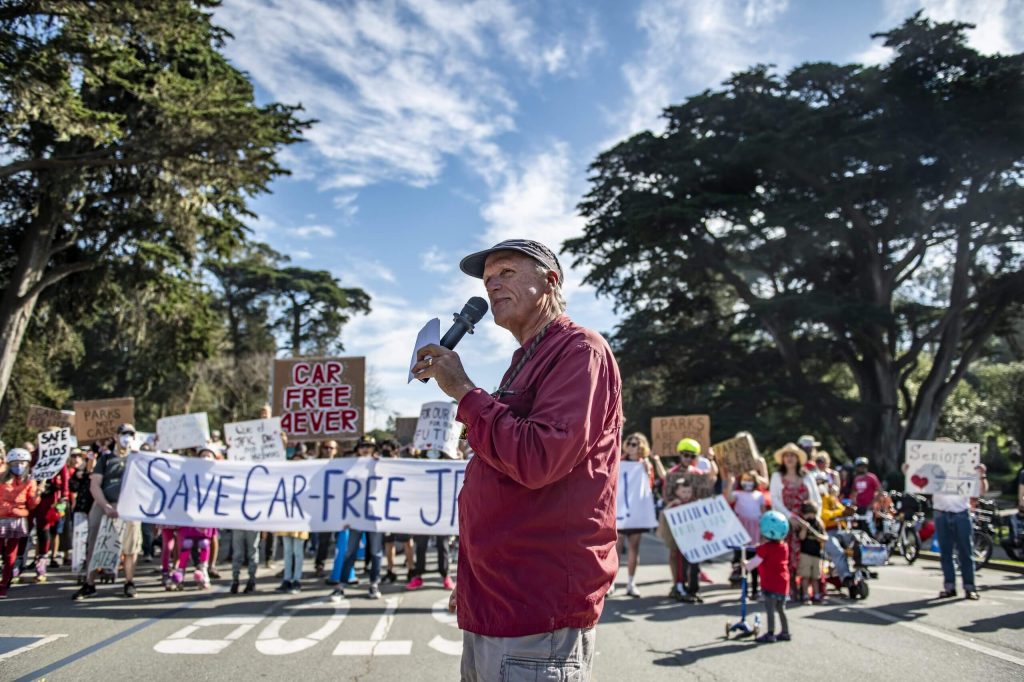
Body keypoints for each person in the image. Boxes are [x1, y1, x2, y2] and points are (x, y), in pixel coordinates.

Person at [412, 238, 620, 681]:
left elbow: (538, 459)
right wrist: (474, 580)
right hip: (498, 596)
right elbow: (499, 470)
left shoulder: (579, 351)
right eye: (488, 279)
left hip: (537, 604)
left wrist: (465, 392)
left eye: (506, 273)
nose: (492, 285)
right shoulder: (527, 359)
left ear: (550, 280)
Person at [903, 448, 987, 600]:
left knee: (966, 552)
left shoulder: (964, 469)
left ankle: (970, 588)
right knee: (945, 553)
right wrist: (908, 472)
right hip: (941, 513)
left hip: (961, 513)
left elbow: (981, 491)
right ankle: (949, 587)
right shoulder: (932, 471)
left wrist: (982, 475)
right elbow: (916, 486)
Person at [73, 423, 143, 599]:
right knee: (94, 542)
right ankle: (89, 584)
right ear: (116, 437)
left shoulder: (138, 459)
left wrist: (125, 505)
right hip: (104, 505)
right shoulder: (105, 460)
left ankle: (129, 582)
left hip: (129, 507)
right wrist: (105, 506)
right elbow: (95, 484)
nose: (127, 437)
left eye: (130, 434)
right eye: (123, 433)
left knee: (130, 546)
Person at [769, 443, 821, 599]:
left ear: (798, 459)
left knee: (806, 556)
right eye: (787, 456)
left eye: (793, 456)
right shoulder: (777, 476)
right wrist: (789, 516)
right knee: (787, 556)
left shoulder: (807, 476)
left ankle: (807, 589)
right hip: (786, 522)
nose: (790, 459)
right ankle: (790, 588)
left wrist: (813, 518)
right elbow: (775, 500)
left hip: (806, 522)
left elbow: (816, 499)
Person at [616, 432, 654, 598]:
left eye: (635, 444)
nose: (631, 446)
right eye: (629, 443)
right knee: (615, 550)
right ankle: (611, 583)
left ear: (641, 447)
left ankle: (631, 582)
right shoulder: (619, 462)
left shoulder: (645, 464)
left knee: (634, 548)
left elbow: (650, 486)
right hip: (619, 511)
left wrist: (650, 468)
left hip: (637, 513)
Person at [744, 511, 791, 643]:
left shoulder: (765, 549)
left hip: (770, 583)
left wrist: (746, 565)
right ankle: (785, 632)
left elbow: (754, 563)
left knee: (770, 609)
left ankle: (770, 633)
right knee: (781, 609)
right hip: (783, 583)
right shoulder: (784, 546)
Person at [1, 449, 41, 599]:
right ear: (9, 464)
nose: (19, 466)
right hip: (1, 519)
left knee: (10, 554)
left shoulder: (30, 481)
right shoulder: (1, 479)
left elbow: (31, 505)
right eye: (15, 463)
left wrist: (37, 495)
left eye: (22, 463)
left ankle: (4, 584)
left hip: (17, 521)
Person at [725, 470, 766, 596]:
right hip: (742, 528)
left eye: (750, 480)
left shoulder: (759, 495)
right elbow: (729, 497)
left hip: (755, 529)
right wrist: (730, 483)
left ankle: (754, 589)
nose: (747, 483)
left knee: (754, 557)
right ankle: (743, 588)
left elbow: (763, 512)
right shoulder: (737, 494)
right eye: (745, 479)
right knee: (742, 557)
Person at [793, 501, 827, 604]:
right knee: (805, 576)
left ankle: (816, 595)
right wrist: (804, 528)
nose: (809, 516)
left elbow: (825, 538)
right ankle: (805, 595)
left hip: (816, 553)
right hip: (805, 553)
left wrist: (818, 536)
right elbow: (801, 537)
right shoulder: (803, 523)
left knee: (815, 577)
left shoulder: (818, 522)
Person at [850, 457, 882, 535]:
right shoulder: (856, 479)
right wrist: (853, 503)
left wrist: (872, 503)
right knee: (859, 527)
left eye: (863, 466)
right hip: (859, 507)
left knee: (869, 527)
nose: (862, 468)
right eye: (860, 466)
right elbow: (854, 492)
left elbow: (880, 491)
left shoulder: (871, 477)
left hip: (869, 507)